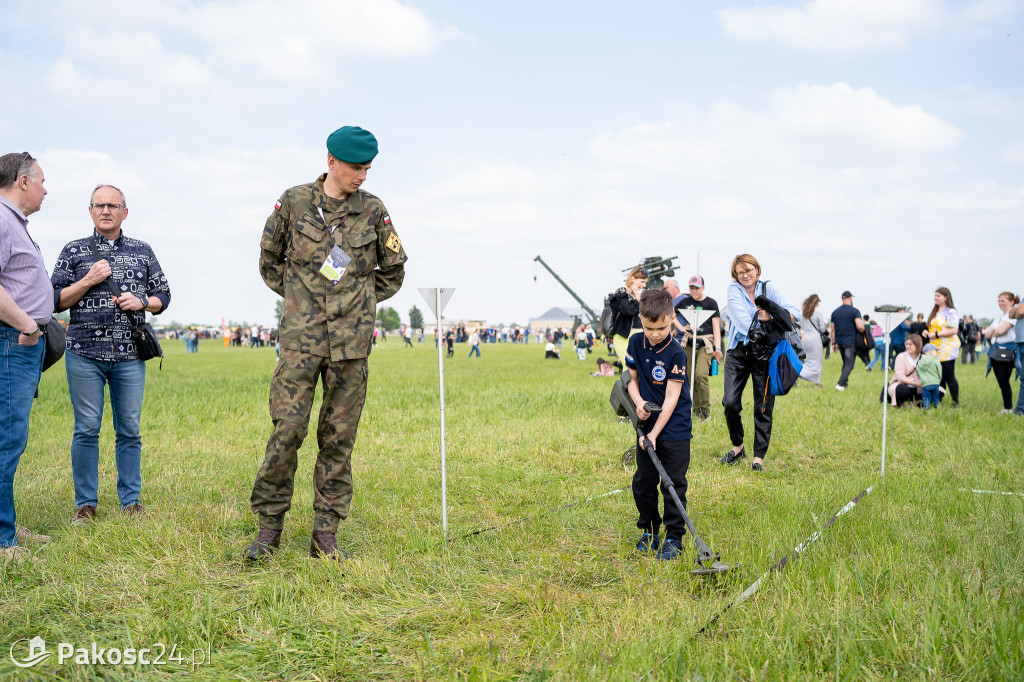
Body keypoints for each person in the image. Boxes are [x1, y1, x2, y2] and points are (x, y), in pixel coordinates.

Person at [246, 126, 407, 561]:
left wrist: (356, 300)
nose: (363, 176)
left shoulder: (373, 211)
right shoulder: (295, 202)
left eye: (368, 168)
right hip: (302, 342)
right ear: (331, 161)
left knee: (338, 438)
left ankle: (326, 534)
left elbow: (393, 270)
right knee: (288, 430)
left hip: (351, 346)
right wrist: (304, 300)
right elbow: (268, 260)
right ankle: (268, 529)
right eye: (356, 168)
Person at [51, 184, 171, 523]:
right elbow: (55, 299)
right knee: (87, 428)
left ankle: (130, 501)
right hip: (84, 352)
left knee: (129, 429)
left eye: (113, 205)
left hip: (130, 354)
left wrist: (144, 301)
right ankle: (85, 504)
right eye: (99, 205)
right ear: (90, 211)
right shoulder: (74, 250)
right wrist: (88, 279)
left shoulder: (143, 250)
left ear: (125, 212)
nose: (106, 210)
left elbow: (164, 293)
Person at [0, 151, 52, 563]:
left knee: (11, 439)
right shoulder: (1, 219)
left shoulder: (14, 223)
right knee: (6, 439)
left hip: (19, 342)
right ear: (22, 181)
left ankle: (6, 523)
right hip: (12, 341)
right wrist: (29, 325)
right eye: (41, 181)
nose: (44, 189)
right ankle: (3, 540)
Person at [624, 288, 692, 561]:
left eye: (662, 327)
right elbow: (631, 379)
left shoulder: (676, 353)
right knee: (643, 481)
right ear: (640, 318)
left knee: (673, 483)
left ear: (672, 318)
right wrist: (639, 403)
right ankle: (650, 530)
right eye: (649, 327)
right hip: (646, 426)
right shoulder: (634, 343)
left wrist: (654, 432)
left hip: (674, 428)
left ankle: (674, 537)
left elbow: (672, 397)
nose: (655, 333)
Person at [720, 254, 799, 472]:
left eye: (749, 270)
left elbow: (795, 313)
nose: (745, 275)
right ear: (735, 275)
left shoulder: (769, 288)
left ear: (757, 269)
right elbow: (742, 320)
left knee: (763, 405)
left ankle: (758, 458)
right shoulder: (733, 290)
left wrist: (771, 316)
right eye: (740, 272)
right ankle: (738, 447)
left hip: (765, 355)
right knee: (730, 402)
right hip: (738, 352)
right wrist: (760, 321)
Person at [674, 275, 723, 422]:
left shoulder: (711, 303)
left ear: (703, 287)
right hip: (689, 342)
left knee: (701, 375)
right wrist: (682, 327)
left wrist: (718, 348)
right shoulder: (686, 302)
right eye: (691, 288)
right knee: (689, 377)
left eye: (697, 288)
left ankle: (705, 411)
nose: (694, 291)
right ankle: (694, 410)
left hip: (705, 342)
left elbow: (716, 327)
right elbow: (671, 314)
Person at [922, 287, 961, 407]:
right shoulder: (935, 312)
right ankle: (938, 400)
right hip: (935, 347)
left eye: (938, 295)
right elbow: (933, 328)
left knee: (949, 375)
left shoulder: (951, 312)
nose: (936, 298)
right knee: (939, 376)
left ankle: (955, 402)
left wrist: (937, 334)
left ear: (946, 297)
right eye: (935, 295)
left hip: (947, 348)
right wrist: (926, 332)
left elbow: (954, 330)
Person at [982, 292, 1019, 413]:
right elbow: (987, 334)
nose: (1000, 303)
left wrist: (994, 330)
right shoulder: (999, 317)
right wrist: (995, 330)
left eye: (1003, 300)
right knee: (1000, 381)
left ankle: (1008, 407)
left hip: (1007, 351)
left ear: (1012, 302)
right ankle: (1006, 406)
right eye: (998, 300)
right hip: (995, 351)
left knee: (1003, 380)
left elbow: (1001, 331)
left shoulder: (1012, 315)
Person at [608, 266, 648, 365]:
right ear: (633, 279)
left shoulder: (640, 295)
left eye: (645, 282)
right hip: (623, 336)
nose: (644, 285)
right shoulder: (621, 293)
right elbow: (627, 310)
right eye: (642, 281)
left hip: (639, 334)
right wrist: (637, 298)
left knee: (638, 368)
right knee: (628, 366)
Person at [829, 291, 865, 391]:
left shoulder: (835, 312)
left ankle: (844, 383)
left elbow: (833, 330)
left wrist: (833, 343)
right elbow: (859, 325)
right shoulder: (855, 311)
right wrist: (863, 329)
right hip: (850, 342)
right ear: (850, 298)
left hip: (840, 342)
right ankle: (840, 384)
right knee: (849, 365)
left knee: (846, 364)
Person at [886, 333, 924, 407]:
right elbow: (901, 378)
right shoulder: (901, 357)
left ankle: (917, 402)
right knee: (902, 390)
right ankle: (902, 402)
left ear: (917, 345)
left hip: (919, 388)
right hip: (903, 384)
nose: (907, 346)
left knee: (936, 390)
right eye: (907, 344)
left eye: (910, 344)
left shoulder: (924, 358)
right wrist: (918, 383)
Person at [798, 294, 828, 386]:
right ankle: (816, 383)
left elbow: (803, 326)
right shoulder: (818, 313)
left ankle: (797, 373)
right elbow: (822, 329)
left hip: (806, 339)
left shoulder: (805, 313)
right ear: (816, 302)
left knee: (808, 361)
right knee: (817, 362)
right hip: (815, 339)